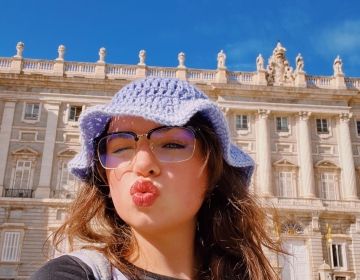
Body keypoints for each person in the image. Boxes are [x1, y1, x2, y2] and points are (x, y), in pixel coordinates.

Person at [31, 77, 281, 280]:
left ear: (213, 169)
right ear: (104, 177)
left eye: (171, 145)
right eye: (120, 148)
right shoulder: (73, 274)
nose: (142, 164)